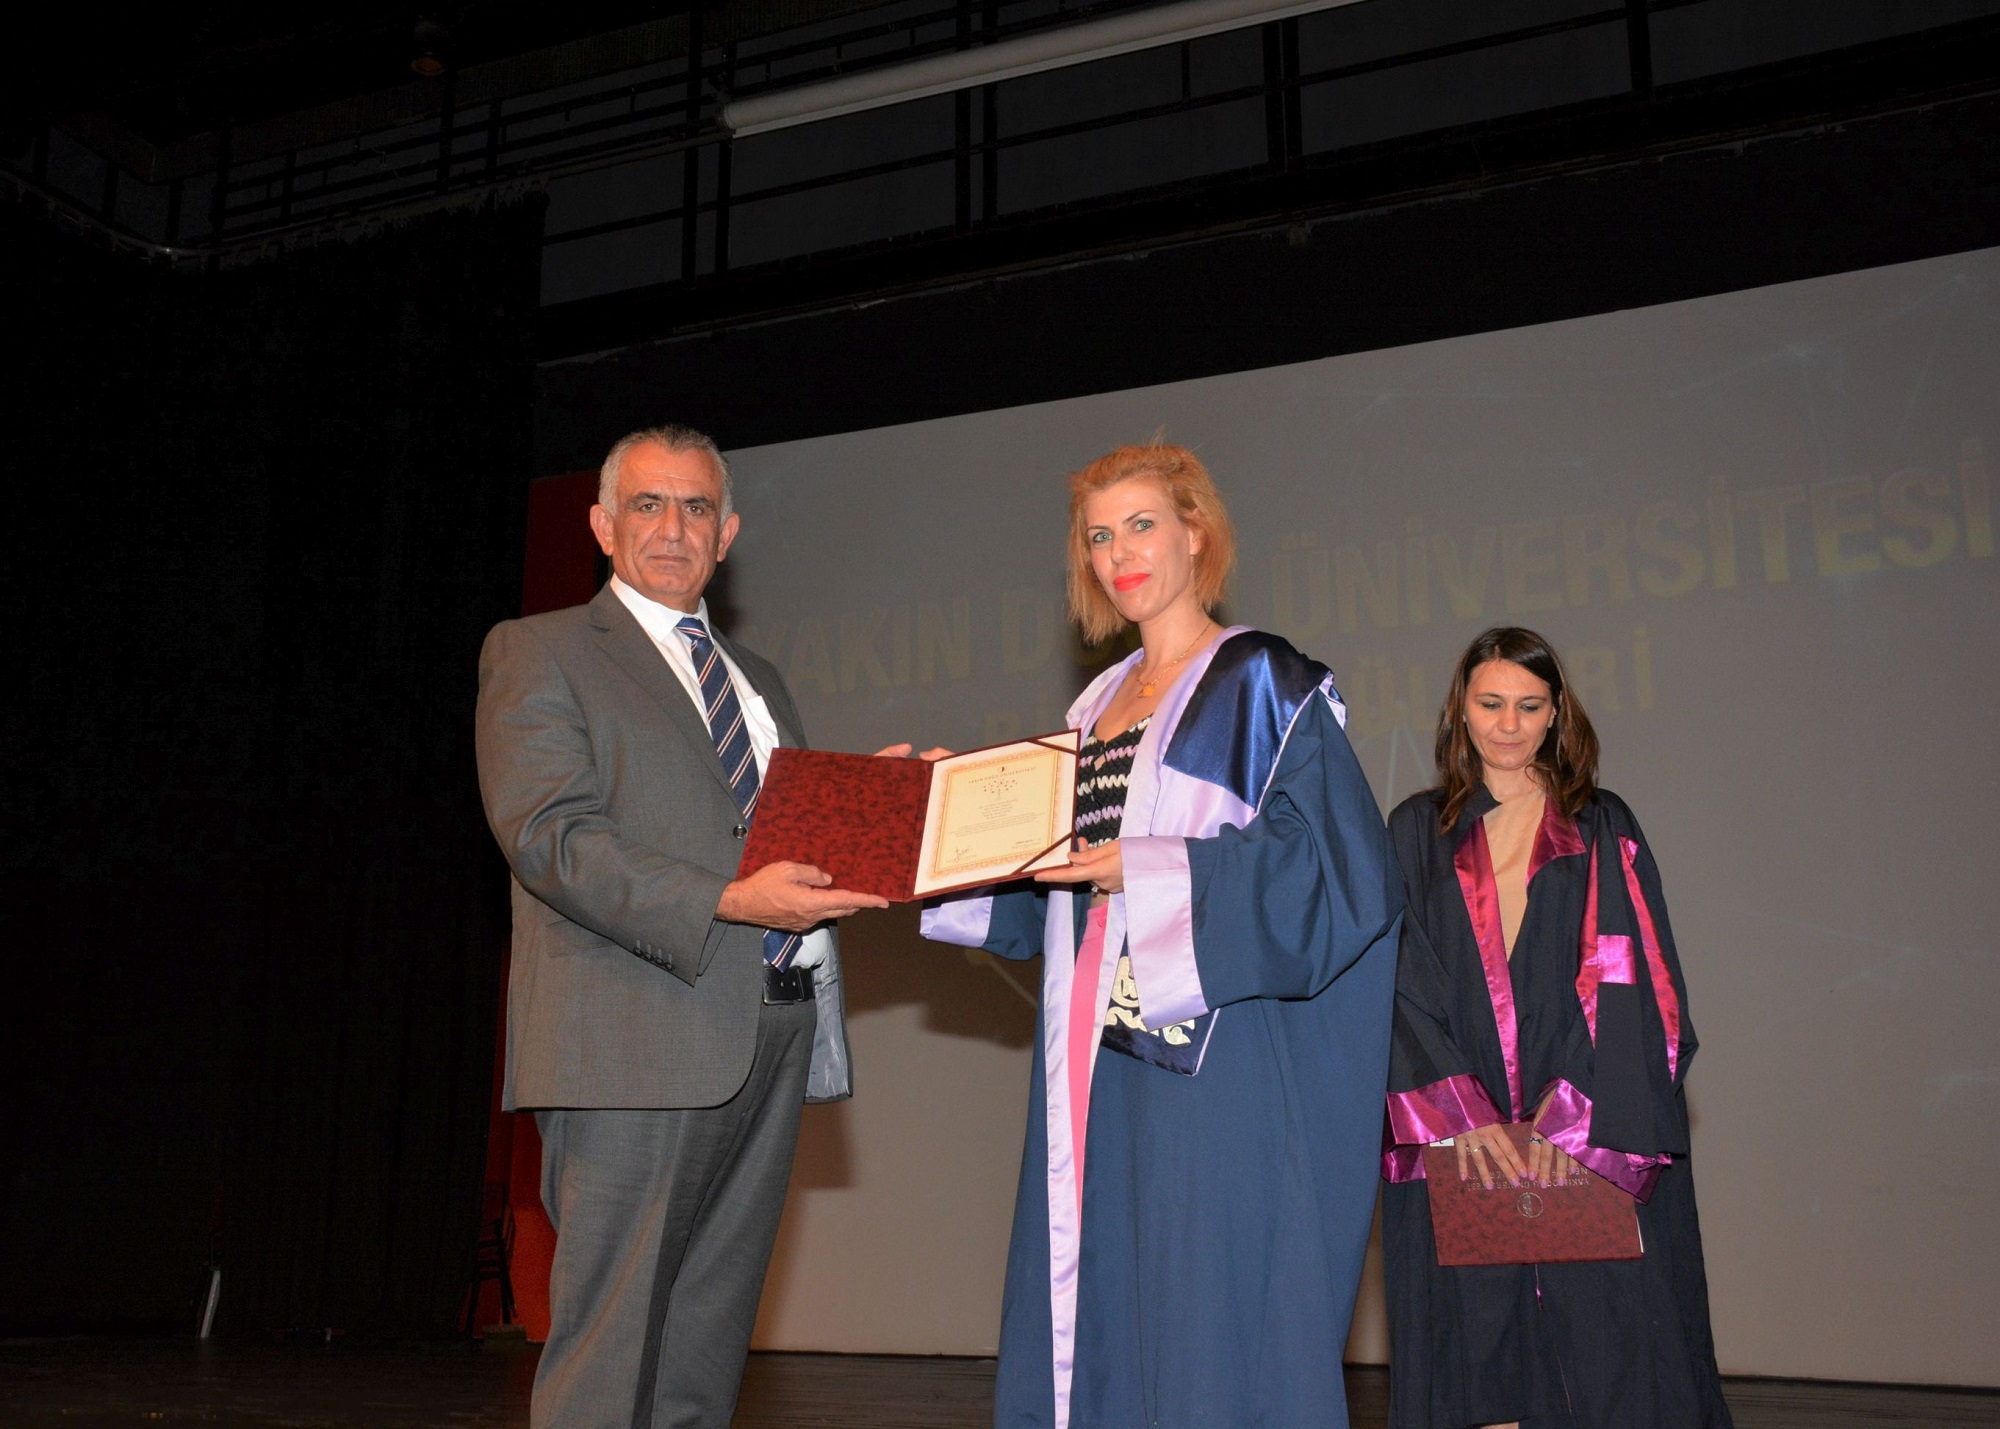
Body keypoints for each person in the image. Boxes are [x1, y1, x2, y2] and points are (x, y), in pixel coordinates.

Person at [920, 443, 1403, 1429]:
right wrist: (940, 809)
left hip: (1214, 1052)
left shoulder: (1260, 681)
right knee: (1106, 1290)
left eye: (1141, 525)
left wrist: (1147, 868)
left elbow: (1334, 870)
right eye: (1099, 536)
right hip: (1097, 1059)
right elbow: (1050, 883)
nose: (1119, 553)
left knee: (1206, 1302)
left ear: (1195, 533)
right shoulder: (1094, 707)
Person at [474, 425, 891, 1429]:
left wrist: (880, 807)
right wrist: (725, 900)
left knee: (703, 1349)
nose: (673, 527)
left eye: (696, 507)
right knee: (610, 1355)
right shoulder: (539, 649)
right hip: (632, 1040)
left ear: (727, 532)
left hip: (772, 1026)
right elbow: (551, 837)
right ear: (601, 525)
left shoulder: (759, 680)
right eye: (648, 504)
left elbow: (779, 839)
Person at [1379, 626, 1732, 1429]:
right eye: (1491, 703)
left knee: (1608, 1364)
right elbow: (1394, 979)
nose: (1509, 724)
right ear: (1459, 710)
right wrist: (1458, 1109)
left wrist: (1569, 1112)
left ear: (1556, 713)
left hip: (1585, 1141)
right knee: (1474, 1367)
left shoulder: (1600, 823)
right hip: (1461, 1147)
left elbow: (1638, 979)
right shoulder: (1415, 831)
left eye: (1529, 705)